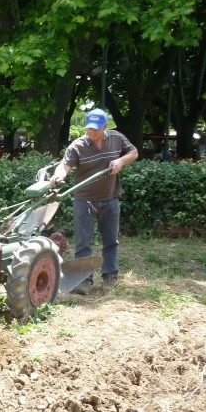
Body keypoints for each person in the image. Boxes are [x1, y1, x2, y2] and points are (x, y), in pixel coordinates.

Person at [50, 108, 138, 293]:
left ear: (105, 127)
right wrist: (58, 177)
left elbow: (134, 153)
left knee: (111, 240)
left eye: (96, 129)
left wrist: (120, 162)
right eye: (89, 128)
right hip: (85, 199)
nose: (91, 132)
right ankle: (84, 280)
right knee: (83, 242)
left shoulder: (116, 138)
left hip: (110, 197)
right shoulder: (77, 145)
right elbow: (64, 165)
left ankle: (110, 276)